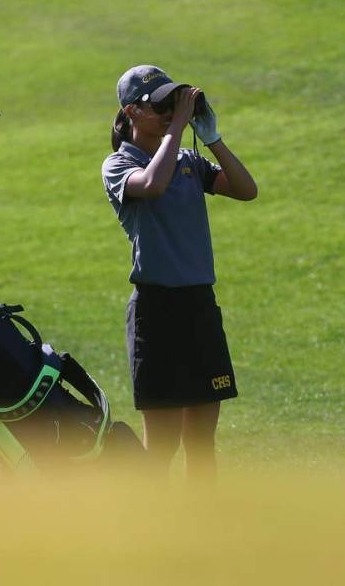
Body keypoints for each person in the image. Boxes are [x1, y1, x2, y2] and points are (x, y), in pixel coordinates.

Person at [101, 65, 257, 483]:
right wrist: (177, 130)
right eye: (160, 106)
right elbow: (151, 184)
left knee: (202, 442)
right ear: (132, 112)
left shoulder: (190, 160)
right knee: (163, 446)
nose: (171, 112)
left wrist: (212, 138)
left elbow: (246, 189)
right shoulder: (117, 165)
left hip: (199, 308)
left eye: (175, 103)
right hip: (157, 312)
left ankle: (204, 530)